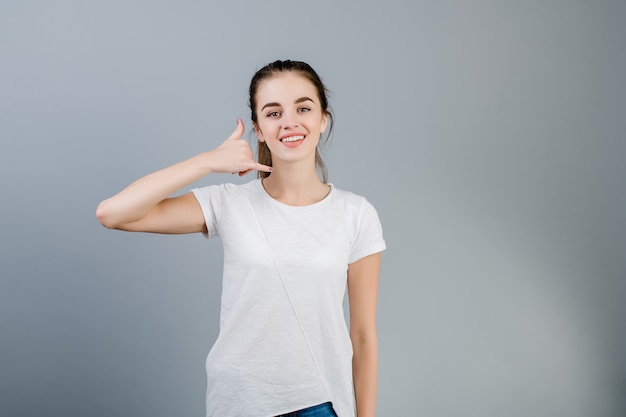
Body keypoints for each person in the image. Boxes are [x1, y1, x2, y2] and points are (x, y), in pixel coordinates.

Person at [96, 60, 386, 417]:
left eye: (304, 108)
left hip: (321, 402)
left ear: (323, 119)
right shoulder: (228, 203)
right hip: (240, 402)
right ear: (259, 130)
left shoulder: (356, 214)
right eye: (273, 112)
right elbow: (113, 213)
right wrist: (206, 161)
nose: (289, 122)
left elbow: (363, 337)